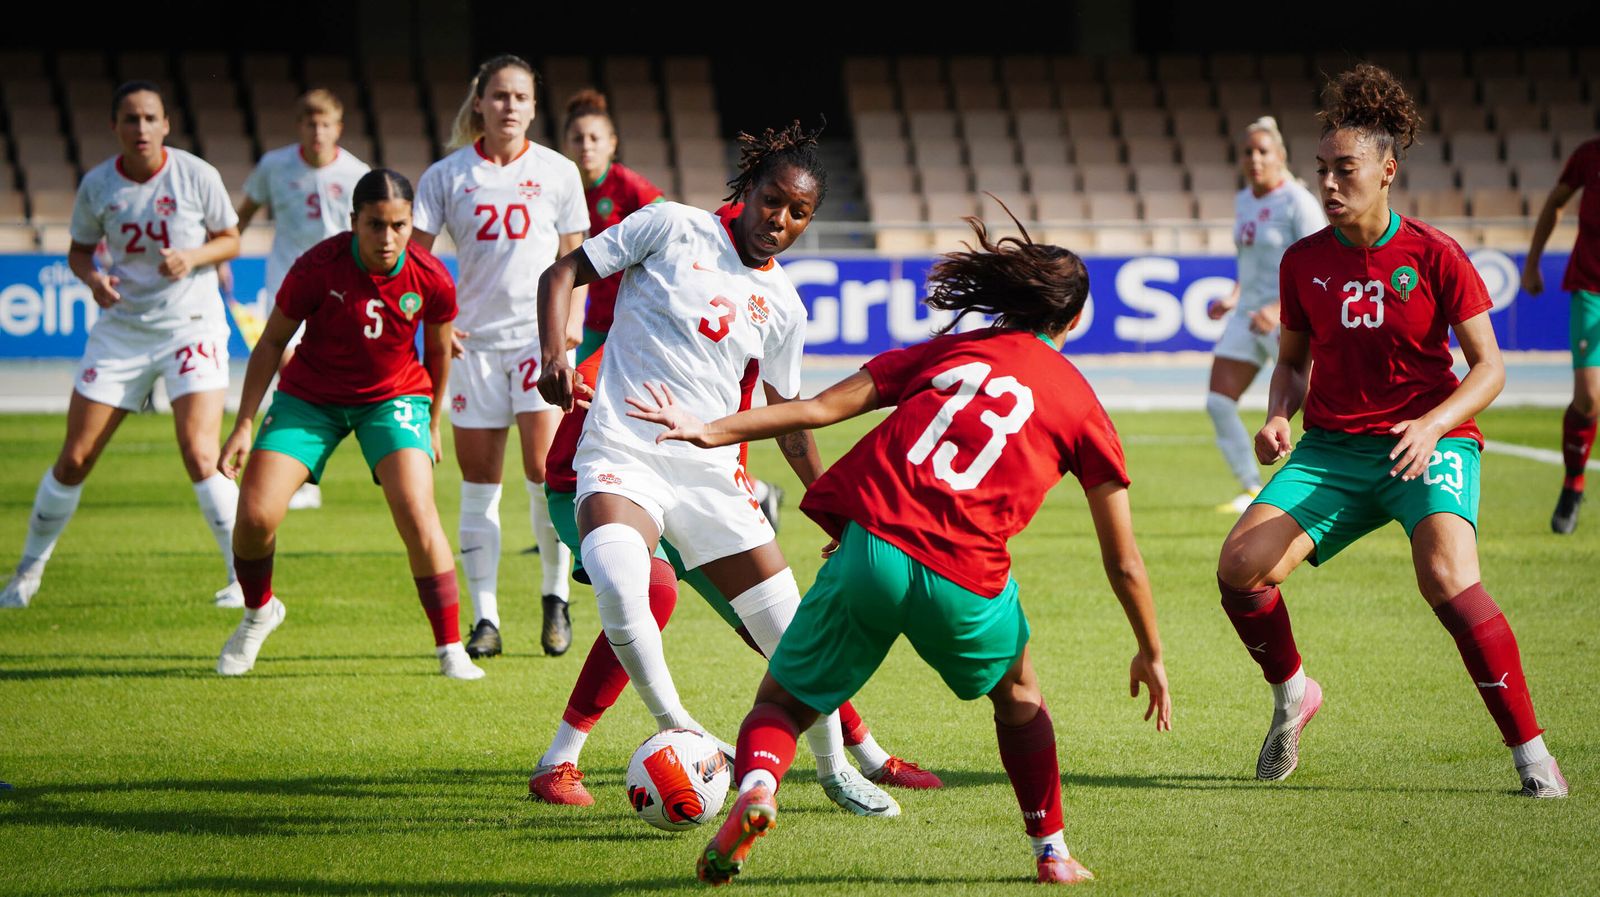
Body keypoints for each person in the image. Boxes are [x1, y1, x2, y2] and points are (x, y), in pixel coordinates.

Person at [622, 206, 1170, 885]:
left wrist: (711, 428)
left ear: (1010, 301)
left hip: (870, 549)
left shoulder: (954, 352)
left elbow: (819, 408)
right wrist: (1149, 648)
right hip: (967, 580)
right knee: (1020, 697)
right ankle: (1051, 851)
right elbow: (1123, 559)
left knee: (781, 706)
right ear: (1074, 322)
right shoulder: (1083, 405)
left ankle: (758, 791)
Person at [1215, 65, 1566, 798]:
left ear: (1387, 170)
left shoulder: (1436, 255)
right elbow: (1291, 363)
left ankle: (1534, 757)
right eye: (1323, 171)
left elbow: (1490, 368)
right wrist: (1279, 412)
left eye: (1346, 170)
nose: (1331, 184)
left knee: (1446, 576)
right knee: (1239, 567)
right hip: (1335, 450)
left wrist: (1436, 425)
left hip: (1429, 443)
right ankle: (1293, 694)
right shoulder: (1303, 262)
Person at [536, 120, 901, 817]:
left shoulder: (785, 305)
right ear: (750, 188)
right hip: (623, 449)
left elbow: (790, 415)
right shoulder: (670, 226)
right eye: (773, 201)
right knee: (624, 581)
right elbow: (564, 273)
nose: (780, 221)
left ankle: (833, 770)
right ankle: (680, 726)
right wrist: (556, 349)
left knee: (796, 643)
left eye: (799, 213)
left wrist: (827, 508)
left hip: (711, 477)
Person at [526, 344, 941, 807]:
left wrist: (829, 506)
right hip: (601, 479)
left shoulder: (771, 303)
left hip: (703, 491)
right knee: (651, 594)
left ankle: (864, 755)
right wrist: (579, 375)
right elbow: (612, 356)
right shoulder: (677, 290)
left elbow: (791, 415)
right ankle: (559, 759)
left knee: (786, 629)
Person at [212, 169, 481, 679]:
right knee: (253, 516)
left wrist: (432, 418)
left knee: (418, 513)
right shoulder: (317, 266)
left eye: (399, 225)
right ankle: (258, 612)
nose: (388, 238)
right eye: (375, 225)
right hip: (310, 398)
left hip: (394, 398)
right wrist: (244, 422)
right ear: (354, 221)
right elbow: (271, 343)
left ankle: (450, 648)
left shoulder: (431, 276)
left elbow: (441, 348)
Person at [2, 81, 242, 609]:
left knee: (202, 452)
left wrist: (193, 258)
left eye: (150, 118)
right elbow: (80, 252)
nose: (141, 128)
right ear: (115, 127)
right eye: (130, 119)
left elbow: (231, 238)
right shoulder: (97, 185)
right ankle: (27, 571)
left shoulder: (196, 175)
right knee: (76, 457)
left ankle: (241, 575)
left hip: (191, 323)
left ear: (166, 125)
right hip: (123, 328)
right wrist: (92, 281)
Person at [412, 54, 589, 660]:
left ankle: (554, 598)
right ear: (480, 103)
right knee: (478, 488)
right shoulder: (447, 176)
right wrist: (438, 321)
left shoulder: (559, 173)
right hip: (475, 350)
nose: (510, 106)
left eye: (521, 97)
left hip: (537, 347)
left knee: (543, 478)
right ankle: (485, 618)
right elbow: (417, 259)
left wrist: (570, 329)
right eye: (499, 96)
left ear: (534, 107)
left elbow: (576, 260)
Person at [233, 88, 371, 511]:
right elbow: (245, 211)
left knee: (320, 373)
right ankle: (302, 472)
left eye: (325, 124)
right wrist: (225, 248)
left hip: (338, 287)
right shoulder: (274, 166)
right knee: (287, 364)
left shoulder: (355, 173)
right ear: (300, 127)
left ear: (338, 128)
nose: (317, 131)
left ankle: (306, 466)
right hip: (287, 284)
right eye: (310, 124)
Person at [1206, 116, 1326, 514]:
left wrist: (1279, 309)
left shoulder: (1298, 202)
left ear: (1280, 157)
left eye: (1263, 151)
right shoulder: (1244, 200)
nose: (1254, 159)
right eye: (1248, 152)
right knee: (1219, 402)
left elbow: (1321, 261)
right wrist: (1233, 296)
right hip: (1245, 315)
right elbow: (1250, 261)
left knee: (1314, 405)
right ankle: (1251, 487)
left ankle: (1325, 480)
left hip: (1288, 318)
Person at [1522, 135, 1600, 534]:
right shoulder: (1589, 155)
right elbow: (1555, 202)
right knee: (1588, 398)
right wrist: (1532, 263)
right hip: (1592, 289)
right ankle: (1573, 483)